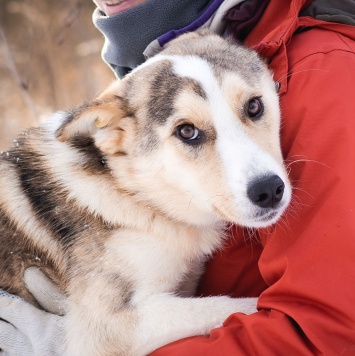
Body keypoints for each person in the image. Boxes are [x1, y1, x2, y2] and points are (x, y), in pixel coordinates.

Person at [1, 0, 355, 354]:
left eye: (252, 108)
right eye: (189, 132)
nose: (258, 173)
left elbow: (321, 328)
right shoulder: (121, 145)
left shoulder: (315, 65)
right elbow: (111, 333)